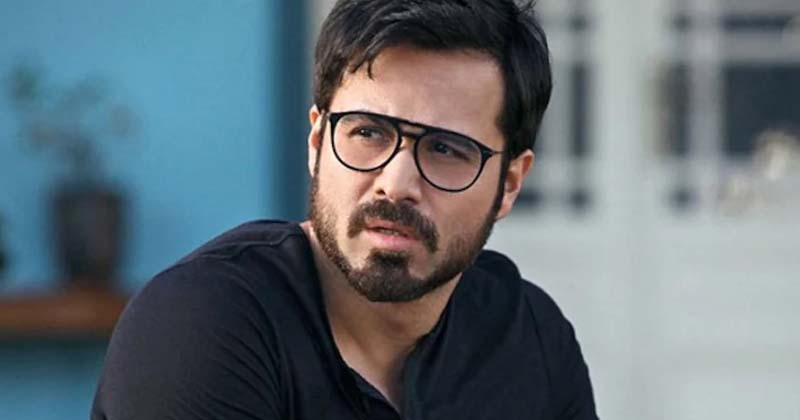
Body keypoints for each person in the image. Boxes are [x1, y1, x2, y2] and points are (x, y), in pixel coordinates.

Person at [91, 0, 598, 419]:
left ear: (509, 184)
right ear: (317, 142)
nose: (395, 185)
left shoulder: (528, 338)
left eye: (445, 149)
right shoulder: (203, 322)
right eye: (368, 132)